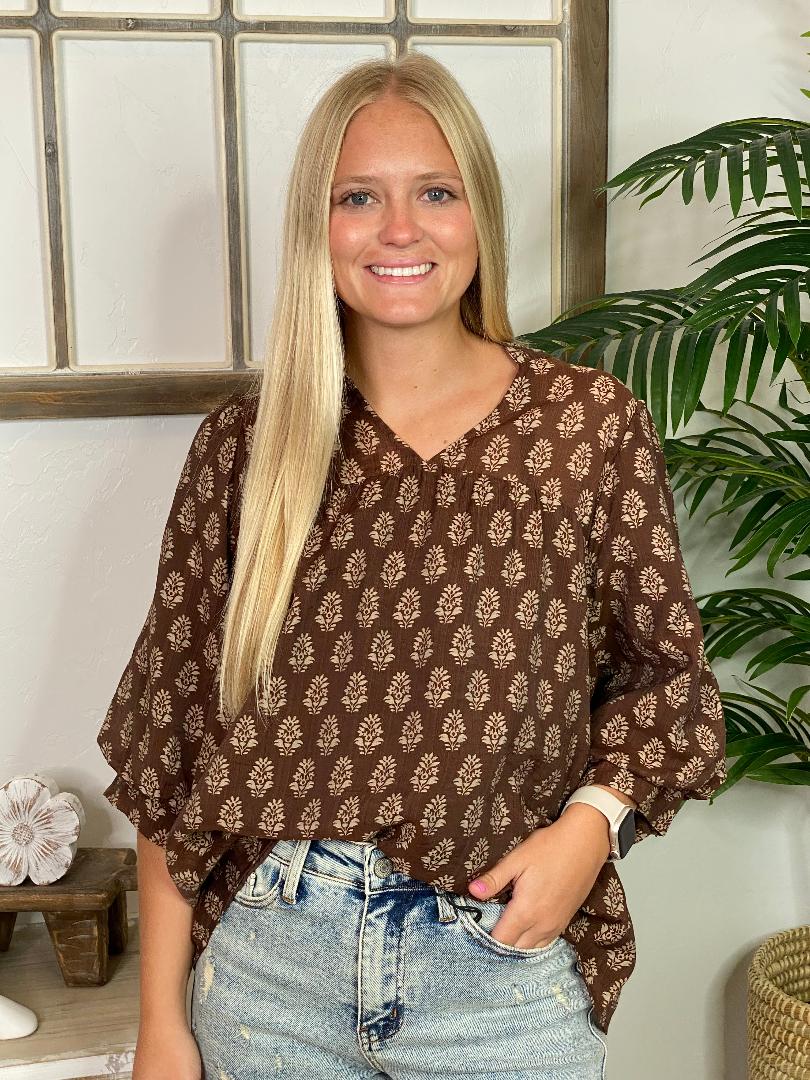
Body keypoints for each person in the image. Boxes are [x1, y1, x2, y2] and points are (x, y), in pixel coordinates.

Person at [96, 53, 727, 1080]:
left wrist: (590, 830)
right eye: (359, 198)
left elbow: (669, 683)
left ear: (480, 216)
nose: (400, 229)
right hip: (268, 977)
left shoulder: (585, 427)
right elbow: (171, 752)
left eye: (436, 192)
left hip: (500, 966)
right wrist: (160, 1027)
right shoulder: (244, 448)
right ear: (317, 226)